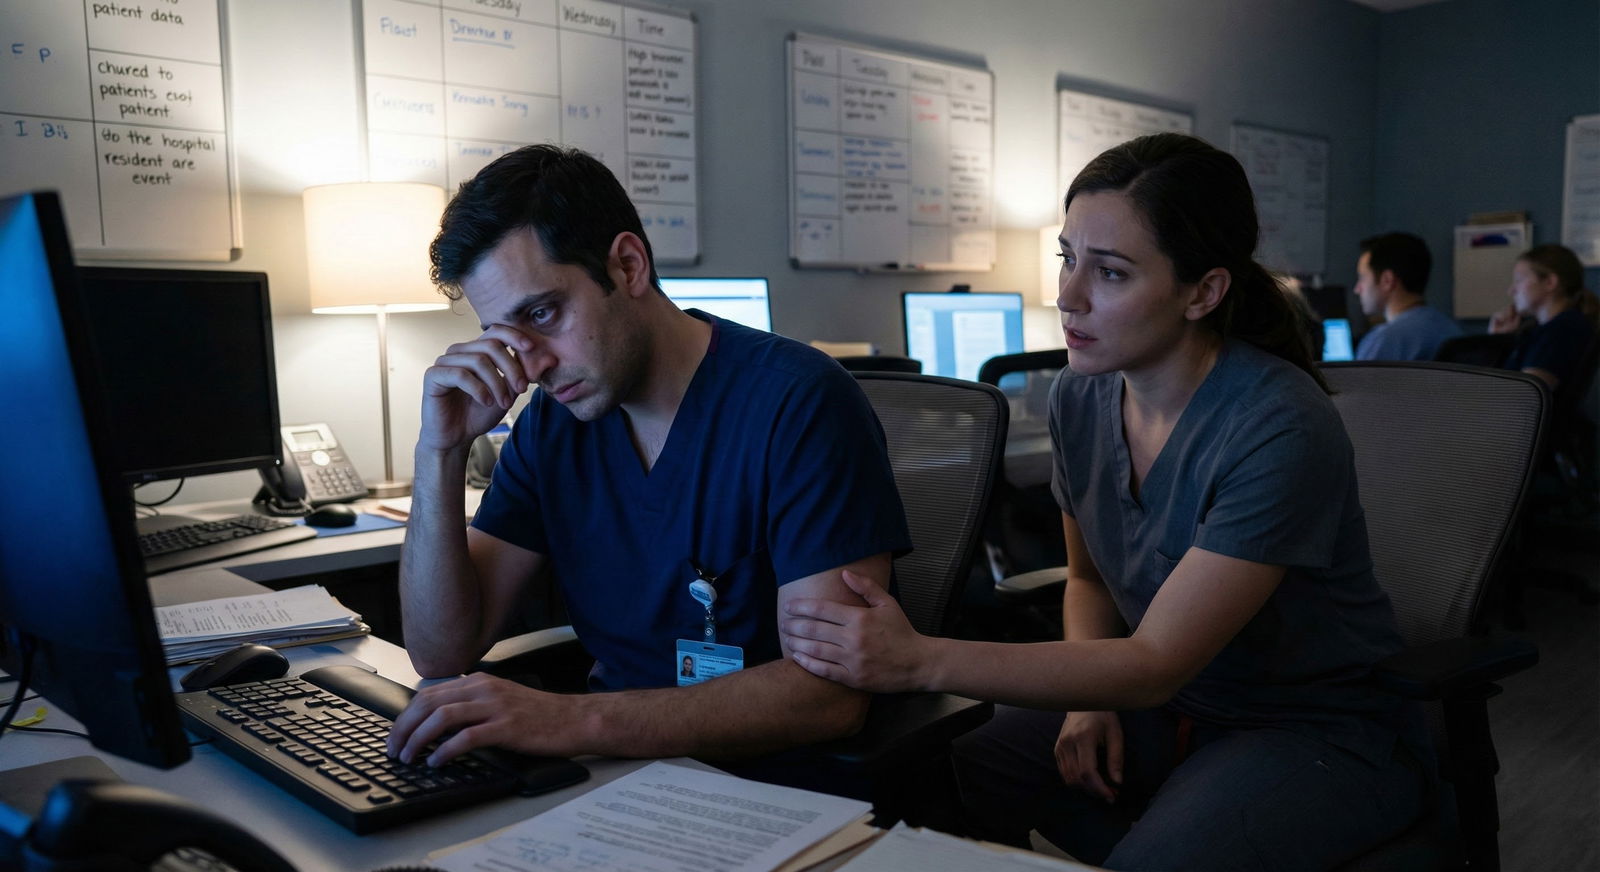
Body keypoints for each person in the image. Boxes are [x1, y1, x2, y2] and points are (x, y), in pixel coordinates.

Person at [781, 133, 1429, 871]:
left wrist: (917, 661)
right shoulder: (1081, 394)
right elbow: (1089, 581)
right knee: (925, 774)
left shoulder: (1279, 425)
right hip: (1171, 706)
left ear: (1204, 292)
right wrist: (1088, 701)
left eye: (1111, 273)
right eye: (1068, 258)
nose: (1067, 296)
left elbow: (1154, 662)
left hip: (1313, 728)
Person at [386, 144, 911, 768]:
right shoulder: (552, 426)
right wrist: (439, 452)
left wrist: (567, 720)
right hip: (611, 773)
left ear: (628, 265)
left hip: (772, 785)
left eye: (544, 314)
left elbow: (828, 696)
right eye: (505, 334)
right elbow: (441, 653)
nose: (532, 365)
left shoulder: (799, 404)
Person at [1489, 243, 1599, 392]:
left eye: (1519, 280)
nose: (1511, 290)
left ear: (1550, 282)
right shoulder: (1544, 329)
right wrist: (1500, 340)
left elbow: (1525, 397)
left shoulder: (1562, 329)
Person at [1352, 232, 1460, 361]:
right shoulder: (1450, 329)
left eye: (1362, 278)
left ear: (1387, 280)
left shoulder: (1384, 340)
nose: (1357, 289)